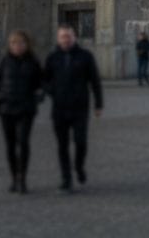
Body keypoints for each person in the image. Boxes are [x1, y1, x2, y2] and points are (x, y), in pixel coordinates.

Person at [42, 24, 103, 193]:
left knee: (80, 142)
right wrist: (52, 90)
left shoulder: (85, 56)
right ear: (58, 39)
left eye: (68, 36)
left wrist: (98, 104)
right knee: (62, 146)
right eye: (63, 36)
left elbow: (95, 81)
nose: (66, 40)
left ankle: (79, 166)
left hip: (79, 108)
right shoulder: (52, 57)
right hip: (59, 109)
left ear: (74, 37)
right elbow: (44, 79)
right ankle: (66, 179)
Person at [0, 29, 42, 194]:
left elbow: (42, 83)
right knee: (10, 145)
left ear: (27, 44)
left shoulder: (33, 61)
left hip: (26, 109)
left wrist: (38, 96)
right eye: (14, 43)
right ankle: (13, 178)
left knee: (23, 143)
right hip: (7, 110)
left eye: (21, 43)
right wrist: (1, 96)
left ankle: (22, 179)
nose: (18, 46)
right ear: (9, 45)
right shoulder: (3, 61)